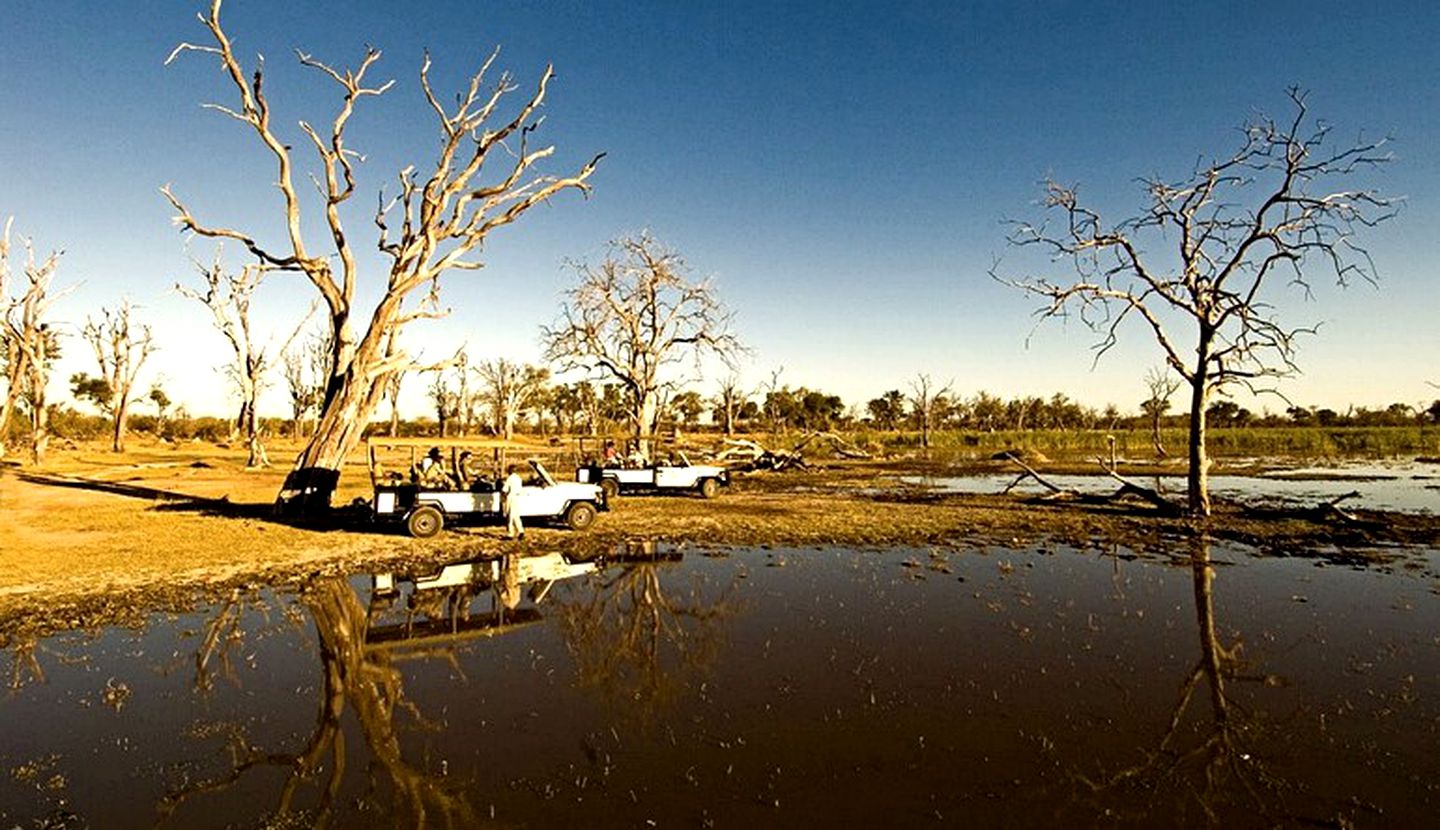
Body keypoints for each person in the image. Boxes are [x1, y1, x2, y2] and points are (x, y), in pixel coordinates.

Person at [501, 463, 525, 540]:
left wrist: (503, 497)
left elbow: (505, 489)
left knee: (510, 516)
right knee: (515, 515)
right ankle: (521, 531)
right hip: (517, 497)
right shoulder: (518, 478)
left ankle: (510, 533)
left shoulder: (510, 479)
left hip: (511, 497)